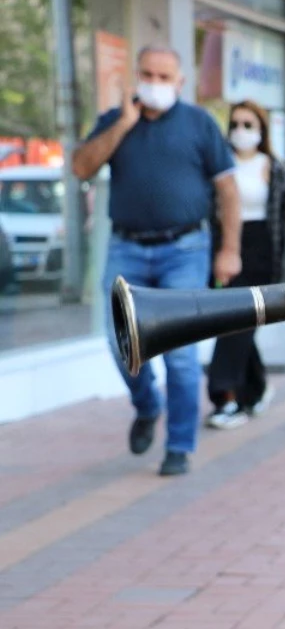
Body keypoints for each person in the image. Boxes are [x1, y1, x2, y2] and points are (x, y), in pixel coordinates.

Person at [74, 44, 241, 477]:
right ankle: (147, 405)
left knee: (181, 355)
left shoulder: (200, 123)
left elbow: (227, 190)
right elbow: (81, 167)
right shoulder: (116, 121)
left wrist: (230, 249)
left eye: (165, 77)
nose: (156, 84)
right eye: (148, 75)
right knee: (119, 342)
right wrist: (124, 124)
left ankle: (180, 445)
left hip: (185, 249)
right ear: (136, 76)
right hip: (126, 248)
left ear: (180, 83)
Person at [205, 99, 285, 430]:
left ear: (261, 130)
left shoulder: (274, 166)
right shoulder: (220, 163)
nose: (240, 131)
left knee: (241, 321)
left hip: (261, 248)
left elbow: (283, 216)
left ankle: (227, 397)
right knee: (231, 321)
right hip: (227, 246)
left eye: (248, 124)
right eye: (235, 124)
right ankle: (249, 389)